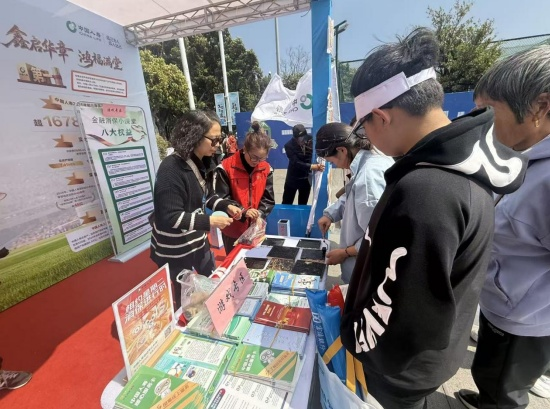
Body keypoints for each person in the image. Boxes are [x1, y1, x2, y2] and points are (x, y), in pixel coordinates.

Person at [338, 28, 527, 409]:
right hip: (423, 361)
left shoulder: (426, 190)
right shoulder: (454, 169)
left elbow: (408, 313)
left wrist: (358, 344)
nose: (365, 136)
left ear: (381, 117)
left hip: (396, 370)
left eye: (362, 126)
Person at [457, 45, 550, 409]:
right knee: (490, 374)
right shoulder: (520, 153)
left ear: (540, 108)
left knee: (505, 391)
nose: (479, 123)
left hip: (526, 317)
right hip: (502, 300)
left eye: (489, 111)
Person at [150, 111, 239, 309]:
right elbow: (170, 217)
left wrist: (226, 205)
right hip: (174, 248)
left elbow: (207, 197)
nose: (218, 145)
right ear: (195, 136)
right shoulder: (171, 168)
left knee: (211, 282)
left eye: (220, 139)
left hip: (197, 240)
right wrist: (210, 221)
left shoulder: (205, 161)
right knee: (185, 297)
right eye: (214, 140)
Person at [316, 122, 393, 283]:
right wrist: (330, 214)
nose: (335, 166)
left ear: (342, 150)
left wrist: (344, 253)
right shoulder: (371, 160)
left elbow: (376, 235)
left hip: (367, 269)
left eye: (332, 161)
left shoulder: (368, 178)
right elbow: (351, 195)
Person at [213, 121, 275, 255]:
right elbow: (221, 198)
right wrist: (243, 211)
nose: (257, 162)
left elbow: (268, 199)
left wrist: (260, 213)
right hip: (233, 230)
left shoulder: (266, 168)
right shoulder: (225, 167)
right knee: (235, 263)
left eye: (262, 158)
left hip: (256, 228)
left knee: (256, 262)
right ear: (245, 149)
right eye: (254, 158)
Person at [282, 124, 325, 205]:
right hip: (293, 179)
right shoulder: (288, 146)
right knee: (286, 203)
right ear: (295, 138)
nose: (303, 140)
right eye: (300, 138)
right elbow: (296, 162)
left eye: (304, 137)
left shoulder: (311, 140)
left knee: (303, 204)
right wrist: (312, 167)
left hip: (306, 180)